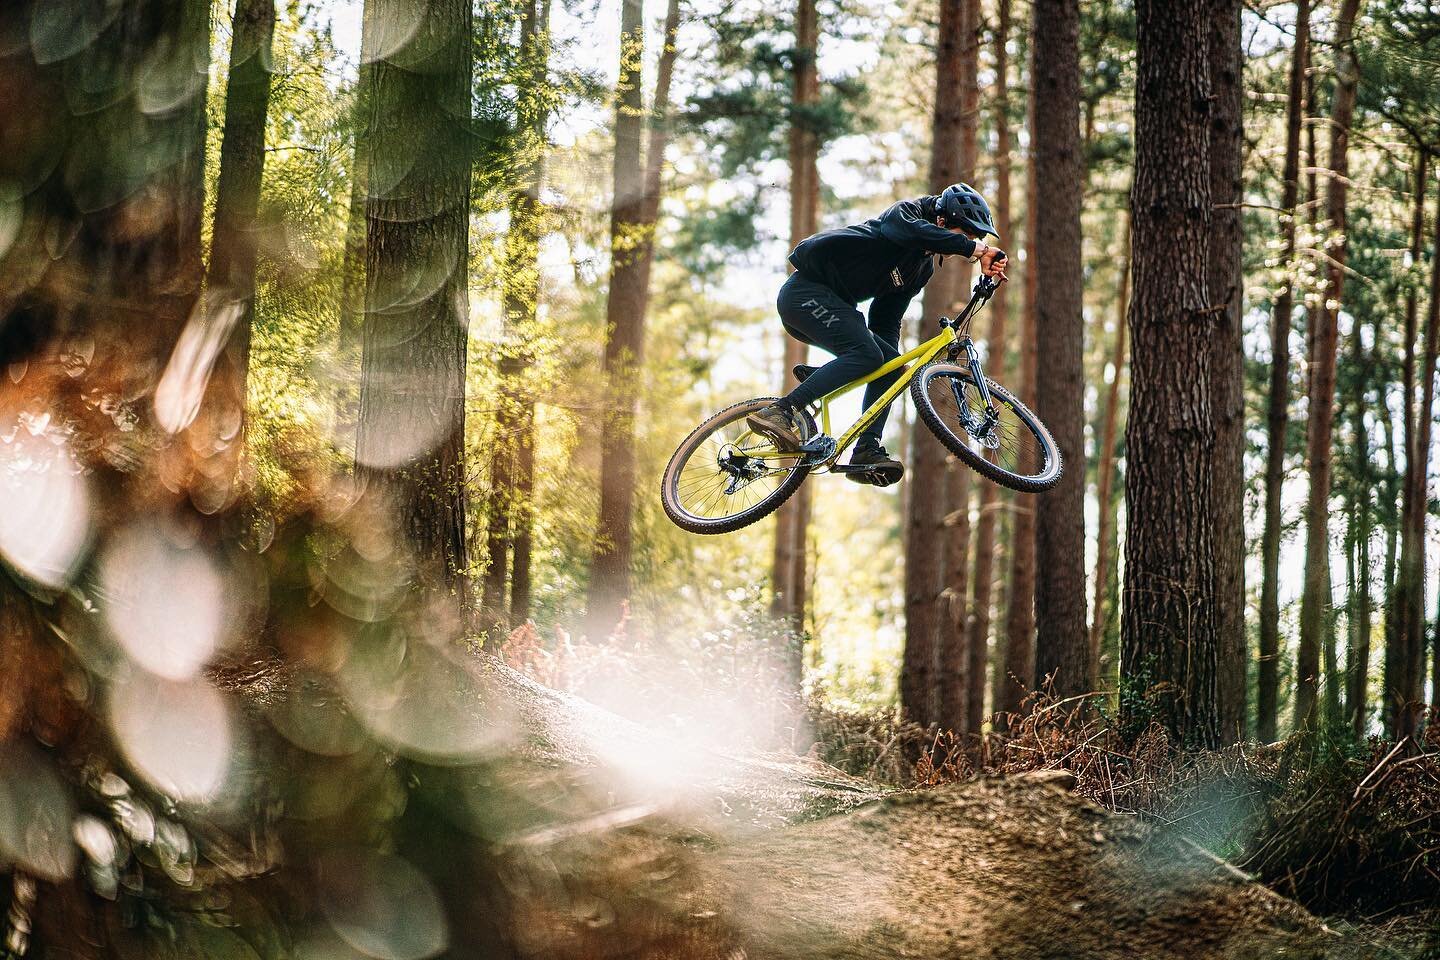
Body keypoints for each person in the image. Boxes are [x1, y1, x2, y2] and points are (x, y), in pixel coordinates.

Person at [746, 183, 1009, 486]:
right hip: (804, 294)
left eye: (975, 239)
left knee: (892, 368)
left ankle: (865, 450)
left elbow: (886, 319)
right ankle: (781, 410)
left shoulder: (920, 269)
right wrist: (975, 249)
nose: (971, 243)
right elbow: (908, 232)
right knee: (867, 354)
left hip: (830, 309)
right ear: (943, 221)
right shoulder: (906, 215)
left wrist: (888, 365)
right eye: (968, 234)